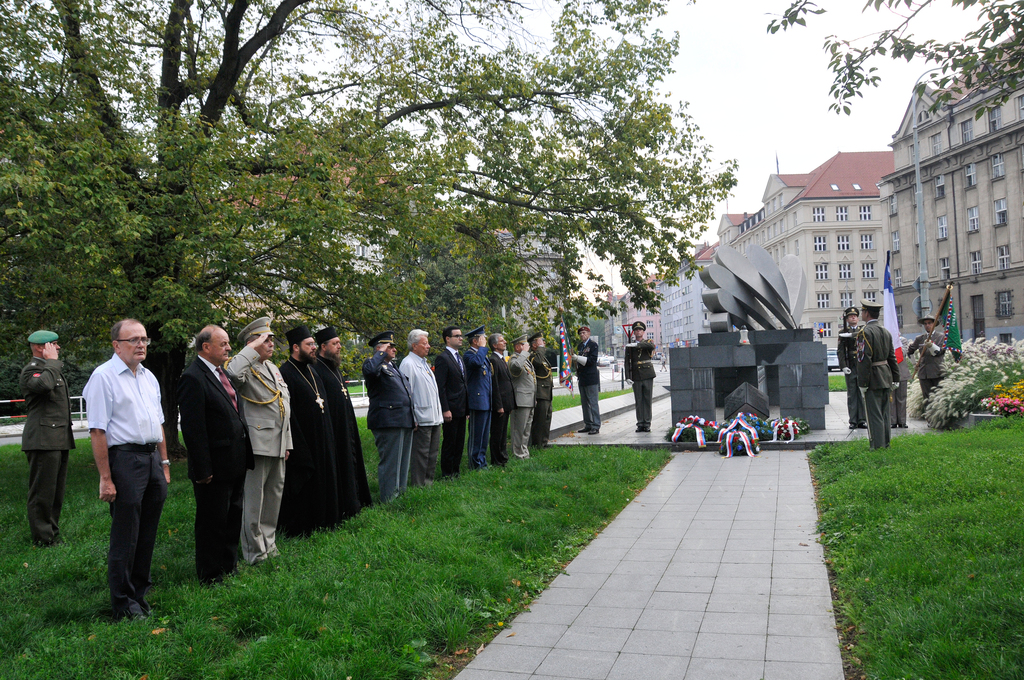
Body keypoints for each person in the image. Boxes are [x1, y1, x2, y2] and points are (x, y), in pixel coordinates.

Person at [82, 319, 169, 620]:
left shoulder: (148, 377)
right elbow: (97, 432)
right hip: (125, 460)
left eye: (144, 339)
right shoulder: (103, 377)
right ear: (116, 345)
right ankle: (123, 603)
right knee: (126, 534)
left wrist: (165, 463)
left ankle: (140, 594)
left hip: (152, 460)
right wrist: (106, 478)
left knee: (146, 532)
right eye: (133, 339)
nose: (141, 344)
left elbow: (158, 423)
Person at [177, 325, 255, 584]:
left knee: (232, 517)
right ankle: (210, 575)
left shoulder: (222, 374)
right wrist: (202, 469)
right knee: (213, 521)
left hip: (234, 461)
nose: (229, 348)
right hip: (213, 468)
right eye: (222, 344)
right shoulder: (193, 377)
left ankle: (228, 566)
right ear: (205, 347)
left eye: (228, 343)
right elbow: (193, 429)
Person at [222, 317, 292, 565]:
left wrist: (288, 443)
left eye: (272, 338)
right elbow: (230, 374)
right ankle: (255, 553)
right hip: (257, 444)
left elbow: (283, 407)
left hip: (277, 444)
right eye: (266, 339)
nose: (271, 343)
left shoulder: (272, 368)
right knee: (254, 502)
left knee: (272, 500)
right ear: (252, 342)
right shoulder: (243, 366)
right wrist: (250, 350)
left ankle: (269, 545)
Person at [278, 325, 342, 535]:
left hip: (323, 436)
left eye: (314, 343)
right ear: (296, 347)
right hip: (304, 440)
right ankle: (308, 525)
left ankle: (328, 519)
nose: (314, 347)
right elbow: (288, 413)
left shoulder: (313, 370)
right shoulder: (285, 372)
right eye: (309, 344)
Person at [19, 330, 75, 547]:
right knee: (42, 492)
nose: (58, 348)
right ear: (41, 348)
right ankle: (42, 539)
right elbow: (43, 386)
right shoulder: (31, 371)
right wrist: (52, 362)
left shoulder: (50, 369)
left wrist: (52, 364)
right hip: (42, 439)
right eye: (54, 344)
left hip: (58, 438)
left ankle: (52, 532)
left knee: (55, 491)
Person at [313, 326, 368, 516]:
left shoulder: (334, 366)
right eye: (335, 343)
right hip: (334, 427)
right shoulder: (316, 368)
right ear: (323, 346)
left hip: (346, 424)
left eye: (339, 343)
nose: (339, 347)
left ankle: (356, 500)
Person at [363, 331, 415, 501]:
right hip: (387, 421)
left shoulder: (393, 367)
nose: (393, 348)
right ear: (379, 348)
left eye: (393, 346)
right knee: (391, 463)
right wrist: (380, 353)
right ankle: (389, 500)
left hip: (402, 420)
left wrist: (412, 418)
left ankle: (400, 495)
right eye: (389, 346)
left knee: (402, 462)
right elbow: (371, 372)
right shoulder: (372, 364)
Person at [399, 329, 444, 486]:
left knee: (432, 454)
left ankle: (428, 483)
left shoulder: (424, 364)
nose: (428, 346)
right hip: (421, 418)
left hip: (433, 417)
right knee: (421, 455)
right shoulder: (408, 364)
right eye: (424, 343)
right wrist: (412, 418)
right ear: (414, 345)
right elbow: (406, 394)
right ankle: (419, 485)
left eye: (428, 343)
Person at [856, 300, 900, 450]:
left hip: (873, 378)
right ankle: (886, 444)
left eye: (862, 311)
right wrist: (896, 377)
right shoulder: (885, 332)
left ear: (866, 313)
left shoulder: (865, 332)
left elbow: (864, 360)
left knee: (874, 414)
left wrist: (862, 383)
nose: (861, 314)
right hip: (886, 376)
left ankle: (877, 446)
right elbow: (892, 357)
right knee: (885, 414)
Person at [434, 326, 468, 479]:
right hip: (451, 409)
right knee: (450, 442)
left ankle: (456, 470)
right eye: (457, 336)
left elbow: (463, 384)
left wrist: (467, 409)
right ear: (448, 338)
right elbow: (441, 387)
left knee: (460, 442)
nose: (461, 338)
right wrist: (445, 409)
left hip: (461, 407)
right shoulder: (443, 358)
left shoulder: (459, 357)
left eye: (461, 336)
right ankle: (447, 473)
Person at [464, 325, 492, 469]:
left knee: (484, 435)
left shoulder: (482, 355)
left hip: (486, 401)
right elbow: (476, 364)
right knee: (476, 435)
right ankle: (475, 464)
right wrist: (482, 348)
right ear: (476, 341)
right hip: (477, 401)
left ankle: (482, 461)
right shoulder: (469, 355)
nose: (485, 340)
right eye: (483, 338)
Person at [837, 306, 868, 430]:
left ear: (858, 318)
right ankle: (853, 420)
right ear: (847, 319)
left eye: (855, 316)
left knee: (862, 392)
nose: (853, 317)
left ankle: (862, 419)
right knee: (852, 393)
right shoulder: (842, 332)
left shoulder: (863, 330)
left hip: (861, 364)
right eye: (850, 316)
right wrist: (843, 366)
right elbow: (840, 351)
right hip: (850, 364)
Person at [907, 315, 947, 409]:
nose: (927, 325)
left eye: (929, 323)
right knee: (927, 399)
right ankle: (929, 419)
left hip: (938, 372)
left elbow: (939, 352)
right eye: (925, 324)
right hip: (924, 373)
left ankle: (939, 419)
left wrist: (931, 346)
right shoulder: (920, 338)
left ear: (934, 324)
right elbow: (910, 352)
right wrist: (914, 364)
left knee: (939, 398)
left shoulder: (941, 337)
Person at [487, 332, 514, 467]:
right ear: (494, 345)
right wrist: (499, 405)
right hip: (500, 404)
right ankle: (496, 459)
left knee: (503, 433)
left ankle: (503, 457)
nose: (505, 342)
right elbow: (495, 385)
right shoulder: (493, 360)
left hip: (506, 402)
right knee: (497, 433)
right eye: (502, 341)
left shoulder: (502, 359)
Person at [508, 334, 536, 460]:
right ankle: (517, 454)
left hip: (529, 399)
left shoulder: (524, 359)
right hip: (521, 400)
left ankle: (524, 452)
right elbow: (516, 367)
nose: (528, 347)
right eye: (525, 345)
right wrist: (524, 353)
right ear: (518, 346)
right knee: (519, 429)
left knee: (526, 430)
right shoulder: (514, 359)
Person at [624, 321, 656, 432]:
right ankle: (640, 423)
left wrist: (637, 345)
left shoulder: (648, 342)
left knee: (647, 399)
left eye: (640, 330)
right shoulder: (629, 345)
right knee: (638, 400)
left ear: (643, 332)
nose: (638, 331)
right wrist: (627, 376)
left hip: (647, 374)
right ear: (634, 332)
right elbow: (627, 362)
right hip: (636, 375)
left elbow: (651, 346)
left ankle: (647, 423)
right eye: (636, 330)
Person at [528, 332, 554, 447]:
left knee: (546, 419)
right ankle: (537, 444)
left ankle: (544, 442)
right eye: (541, 341)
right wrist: (540, 349)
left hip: (547, 392)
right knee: (539, 420)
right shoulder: (532, 356)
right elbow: (537, 363)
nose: (543, 343)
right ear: (534, 345)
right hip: (540, 393)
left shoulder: (540, 356)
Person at [574, 325, 601, 434]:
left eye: (584, 333)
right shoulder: (580, 346)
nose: (582, 335)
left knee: (593, 402)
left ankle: (596, 425)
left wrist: (578, 358)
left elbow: (591, 360)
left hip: (591, 377)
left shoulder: (593, 345)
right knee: (584, 403)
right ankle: (588, 424)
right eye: (580, 333)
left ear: (589, 334)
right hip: (582, 377)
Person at [891, 337, 911, 429]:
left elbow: (901, 353)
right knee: (891, 399)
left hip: (901, 373)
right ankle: (892, 421)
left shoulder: (902, 340)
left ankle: (902, 421)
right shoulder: (886, 339)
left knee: (901, 398)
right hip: (889, 373)